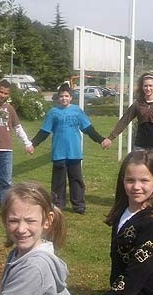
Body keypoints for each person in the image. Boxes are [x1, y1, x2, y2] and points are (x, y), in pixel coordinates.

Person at [31, 84, 110, 214]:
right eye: (61, 96)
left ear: (71, 97)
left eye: (66, 96)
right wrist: (33, 144)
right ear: (58, 98)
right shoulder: (53, 113)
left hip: (74, 153)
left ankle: (78, 205)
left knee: (76, 180)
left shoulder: (77, 111)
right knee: (58, 182)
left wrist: (101, 140)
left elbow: (88, 129)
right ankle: (57, 205)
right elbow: (44, 131)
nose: (64, 98)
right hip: (59, 153)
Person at [105, 150, 153, 295]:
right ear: (122, 180)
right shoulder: (121, 213)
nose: (136, 186)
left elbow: (136, 272)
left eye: (144, 180)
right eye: (130, 180)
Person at [0, 181, 70, 295]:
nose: (21, 229)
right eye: (14, 221)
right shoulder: (18, 254)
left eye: (30, 221)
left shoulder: (34, 268)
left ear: (47, 220)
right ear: (5, 220)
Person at [0, 79, 34, 221]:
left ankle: (5, 210)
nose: (3, 95)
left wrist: (27, 143)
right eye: (1, 92)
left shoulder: (10, 109)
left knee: (6, 182)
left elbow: (17, 127)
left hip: (7, 150)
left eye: (6, 93)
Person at [104, 73, 153, 151]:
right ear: (142, 87)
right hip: (140, 146)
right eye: (145, 86)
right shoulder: (138, 104)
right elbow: (124, 120)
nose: (148, 88)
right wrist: (110, 138)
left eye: (150, 85)